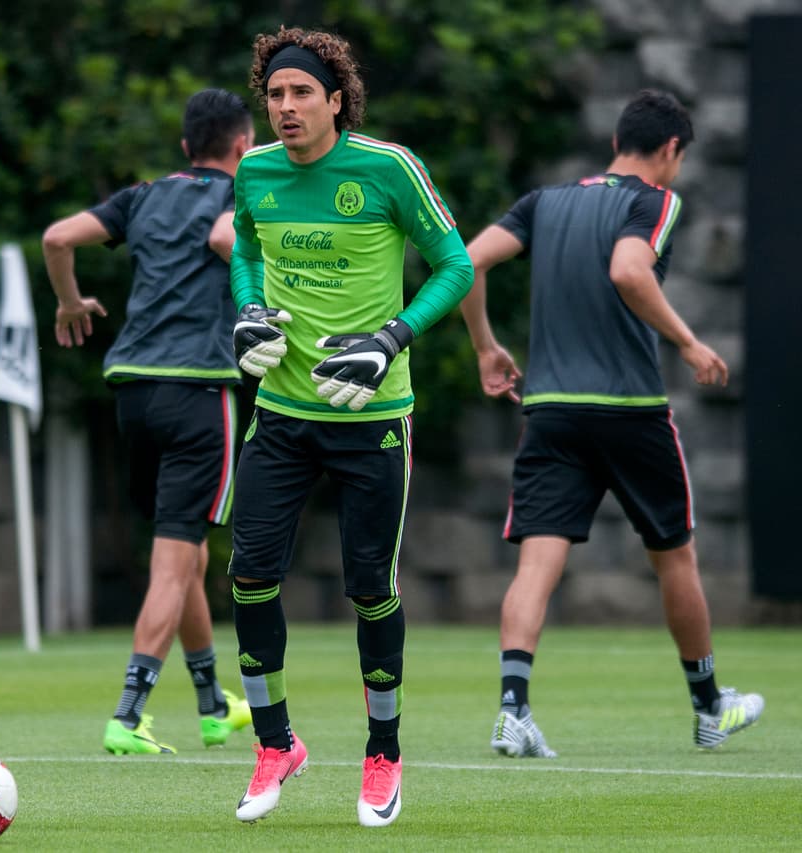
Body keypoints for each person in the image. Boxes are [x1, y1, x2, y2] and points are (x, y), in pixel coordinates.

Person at [459, 88, 764, 757]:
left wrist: (486, 346)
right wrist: (687, 341)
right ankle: (710, 705)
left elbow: (468, 260)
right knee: (674, 555)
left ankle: (513, 709)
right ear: (671, 150)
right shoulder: (654, 199)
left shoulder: (546, 200)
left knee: (538, 562)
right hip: (627, 408)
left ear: (616, 140)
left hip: (549, 411)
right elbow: (629, 270)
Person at [227, 27, 473, 827]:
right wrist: (249, 309)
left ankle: (383, 752)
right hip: (283, 415)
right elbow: (245, 251)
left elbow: (457, 265)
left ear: (336, 100)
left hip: (373, 418)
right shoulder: (256, 172)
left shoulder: (389, 168)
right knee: (249, 575)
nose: (286, 108)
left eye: (301, 93)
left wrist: (391, 338)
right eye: (274, 95)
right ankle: (276, 742)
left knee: (371, 586)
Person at [41, 88, 257, 755]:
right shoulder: (245, 194)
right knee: (175, 559)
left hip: (133, 388)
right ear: (243, 147)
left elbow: (57, 238)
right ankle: (129, 712)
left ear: (187, 147)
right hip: (199, 390)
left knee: (181, 549)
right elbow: (226, 241)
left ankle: (213, 704)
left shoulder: (143, 195)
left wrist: (71, 301)